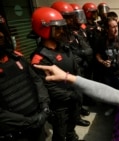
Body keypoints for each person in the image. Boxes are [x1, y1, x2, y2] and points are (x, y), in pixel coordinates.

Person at [30, 7, 82, 141]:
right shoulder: (39, 58)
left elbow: (75, 67)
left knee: (72, 124)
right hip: (59, 105)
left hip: (74, 97)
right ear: (44, 29)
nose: (61, 31)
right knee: (60, 133)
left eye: (61, 28)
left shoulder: (63, 46)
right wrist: (72, 94)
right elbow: (47, 86)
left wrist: (78, 86)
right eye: (56, 28)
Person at [0, 14, 50, 141]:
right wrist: (29, 122)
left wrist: (44, 105)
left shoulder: (17, 57)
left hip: (37, 120)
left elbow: (37, 81)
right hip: (16, 131)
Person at [51, 1, 91, 128]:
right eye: (67, 17)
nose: (70, 20)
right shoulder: (56, 36)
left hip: (76, 67)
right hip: (63, 72)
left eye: (71, 17)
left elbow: (85, 49)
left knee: (78, 94)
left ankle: (77, 113)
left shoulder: (72, 32)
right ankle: (74, 118)